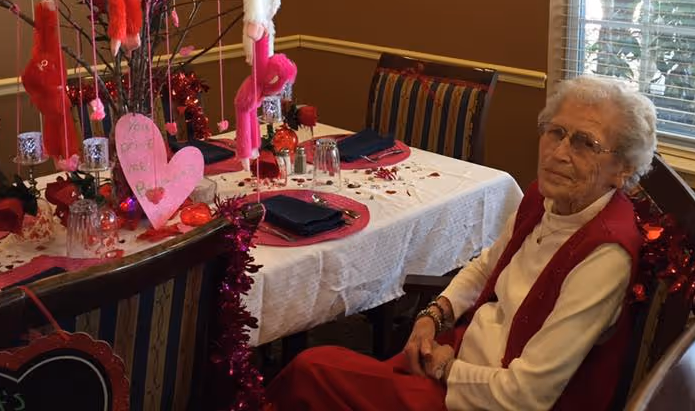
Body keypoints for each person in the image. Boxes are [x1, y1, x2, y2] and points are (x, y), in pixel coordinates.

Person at [264, 75, 658, 411]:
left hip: (482, 397)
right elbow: (488, 264)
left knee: (311, 371)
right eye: (556, 132)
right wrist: (433, 315)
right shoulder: (546, 198)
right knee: (322, 374)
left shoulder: (604, 255)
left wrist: (444, 368)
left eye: (585, 143)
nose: (559, 153)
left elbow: (527, 395)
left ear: (622, 170)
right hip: (460, 353)